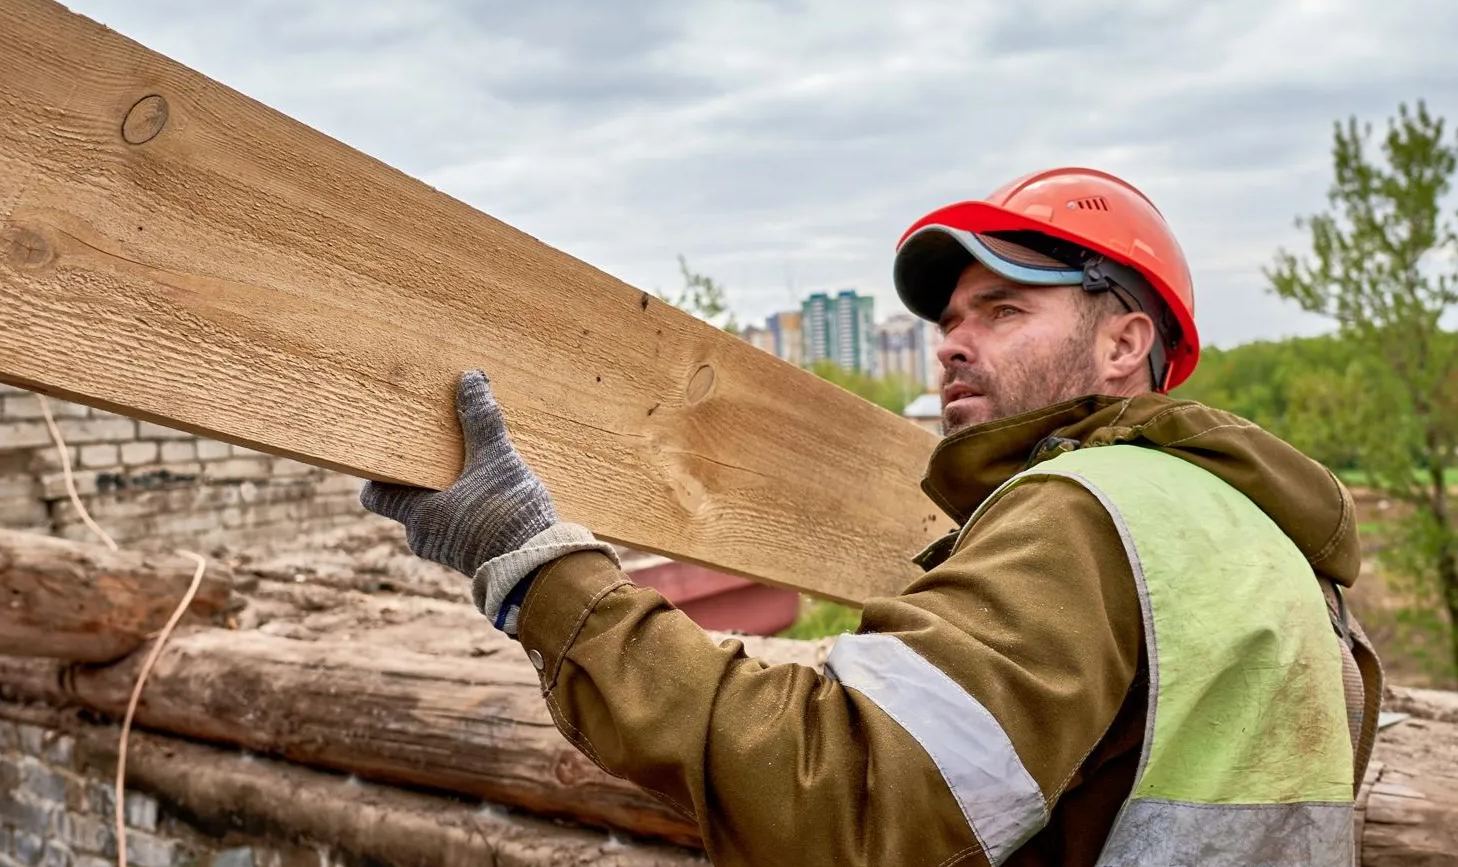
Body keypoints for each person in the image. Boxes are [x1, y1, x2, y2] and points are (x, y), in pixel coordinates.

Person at [360, 166, 1382, 867]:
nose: (950, 343)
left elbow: (839, 793)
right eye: (947, 321)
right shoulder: (1262, 538)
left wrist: (530, 562)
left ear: (1124, 345)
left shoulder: (1084, 511)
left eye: (1004, 310)